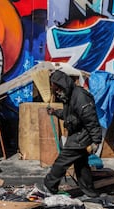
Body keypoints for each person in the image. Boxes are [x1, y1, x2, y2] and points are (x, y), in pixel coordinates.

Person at [36, 70, 102, 198]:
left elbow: (91, 120)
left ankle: (49, 186)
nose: (57, 92)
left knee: (62, 161)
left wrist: (96, 141)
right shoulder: (70, 96)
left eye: (58, 89)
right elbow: (69, 116)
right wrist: (55, 112)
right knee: (81, 164)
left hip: (81, 136)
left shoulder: (80, 97)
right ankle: (89, 191)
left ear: (63, 85)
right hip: (78, 133)